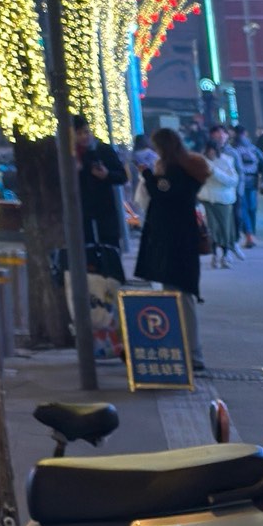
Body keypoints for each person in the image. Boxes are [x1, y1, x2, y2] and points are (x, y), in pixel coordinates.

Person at [135, 125, 211, 369]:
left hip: (175, 242)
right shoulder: (184, 170)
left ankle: (192, 354)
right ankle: (187, 351)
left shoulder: (177, 174)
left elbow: (162, 192)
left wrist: (148, 176)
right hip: (178, 241)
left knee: (180, 295)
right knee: (178, 294)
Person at [71, 118, 129, 278]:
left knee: (110, 253)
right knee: (87, 258)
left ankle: (113, 284)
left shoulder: (102, 150)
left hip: (105, 212)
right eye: (79, 133)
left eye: (86, 132)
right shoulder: (67, 155)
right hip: (81, 213)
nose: (84, 137)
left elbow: (122, 176)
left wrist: (106, 175)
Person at [201, 129, 239, 266]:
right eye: (208, 150)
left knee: (224, 228)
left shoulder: (227, 161)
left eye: (213, 150)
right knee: (211, 229)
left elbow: (233, 180)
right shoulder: (200, 162)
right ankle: (215, 255)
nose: (211, 152)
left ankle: (226, 254)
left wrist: (214, 172)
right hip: (206, 199)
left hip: (223, 199)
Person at [232, 129, 261, 246]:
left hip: (240, 183)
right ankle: (251, 232)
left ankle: (249, 233)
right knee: (252, 208)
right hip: (253, 182)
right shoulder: (253, 149)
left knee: (243, 208)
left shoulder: (234, 150)